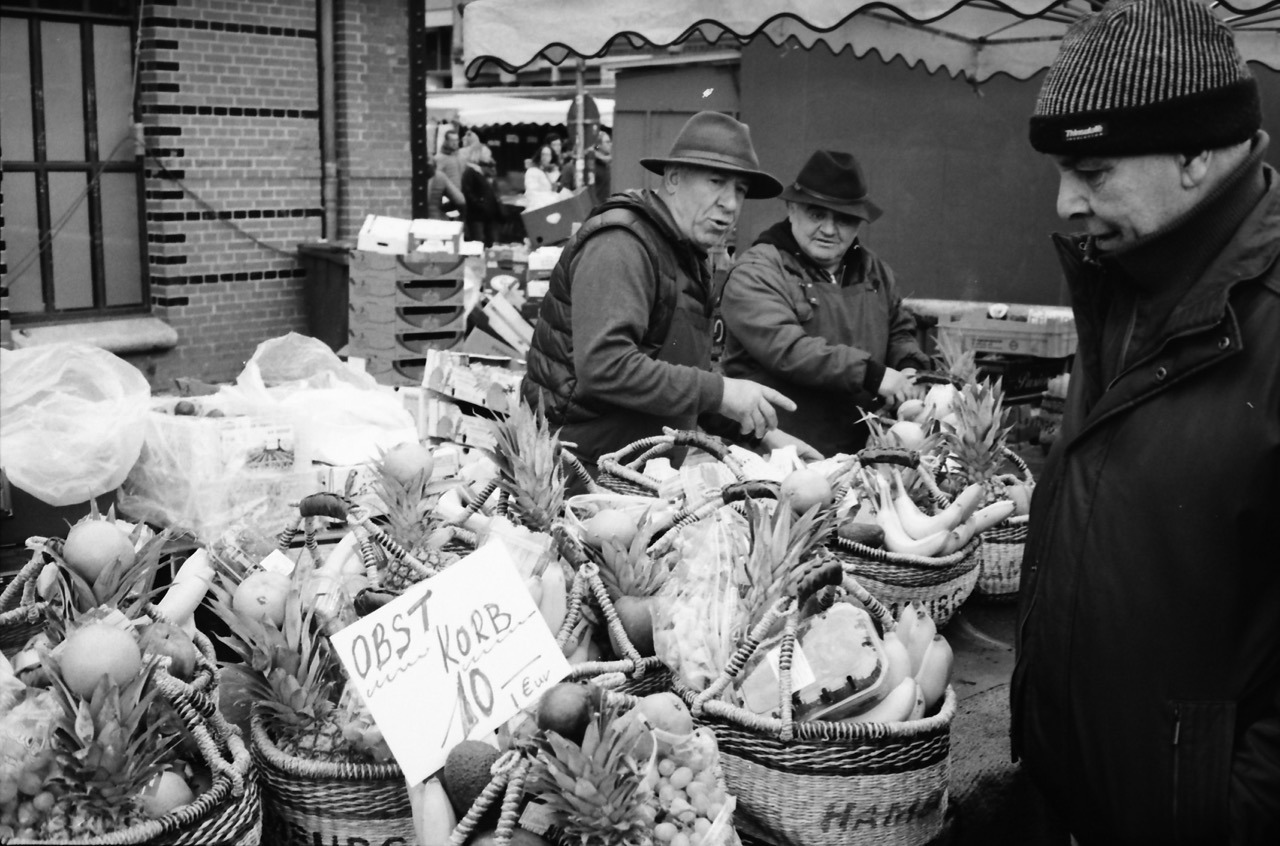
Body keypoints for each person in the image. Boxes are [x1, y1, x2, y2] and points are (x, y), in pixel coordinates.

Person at [1011, 1, 1280, 843]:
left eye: (1093, 171)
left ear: (1199, 152)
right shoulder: (1125, 278)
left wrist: (1225, 813)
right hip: (1079, 802)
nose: (1066, 201)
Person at [521, 110, 803, 468]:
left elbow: (674, 378)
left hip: (633, 474)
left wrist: (761, 434)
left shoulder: (687, 253)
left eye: (740, 190)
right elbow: (606, 366)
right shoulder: (621, 244)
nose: (730, 204)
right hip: (576, 473)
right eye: (716, 182)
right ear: (673, 178)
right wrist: (721, 393)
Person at [719, 149, 931, 458]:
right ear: (792, 209)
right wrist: (874, 375)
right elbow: (788, 349)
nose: (829, 230)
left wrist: (909, 368)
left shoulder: (876, 272)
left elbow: (900, 331)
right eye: (817, 214)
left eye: (844, 219)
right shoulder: (758, 270)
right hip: (775, 455)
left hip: (861, 458)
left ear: (859, 223)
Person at [461, 143, 502, 246]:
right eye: (487, 154)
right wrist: (480, 204)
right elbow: (467, 192)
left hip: (487, 215)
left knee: (489, 241)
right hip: (476, 216)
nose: (489, 156)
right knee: (478, 242)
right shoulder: (470, 172)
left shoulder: (482, 171)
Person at [426, 155, 465, 221]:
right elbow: (460, 200)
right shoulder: (440, 177)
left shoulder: (410, 176)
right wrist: (443, 208)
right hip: (437, 221)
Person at [523, 145, 560, 209]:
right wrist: (555, 197)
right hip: (536, 209)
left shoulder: (547, 172)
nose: (545, 157)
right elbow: (532, 193)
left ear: (551, 157)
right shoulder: (532, 171)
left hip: (548, 208)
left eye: (548, 155)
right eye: (543, 154)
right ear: (539, 155)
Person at [589, 128, 613, 205]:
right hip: (596, 209)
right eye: (607, 142)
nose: (610, 144)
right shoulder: (592, 164)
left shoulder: (609, 163)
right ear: (598, 145)